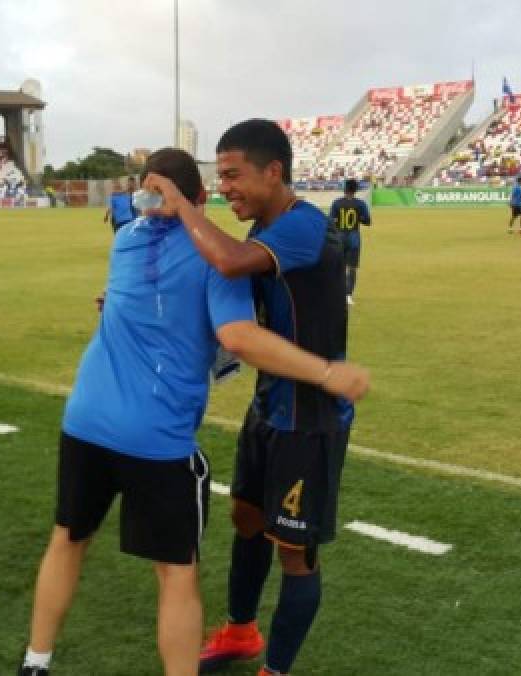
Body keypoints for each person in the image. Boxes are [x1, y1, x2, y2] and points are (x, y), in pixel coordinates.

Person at [18, 148, 370, 676]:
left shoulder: (126, 243)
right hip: (156, 438)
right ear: (197, 195)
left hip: (86, 420)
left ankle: (35, 663)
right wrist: (327, 372)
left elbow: (150, 302)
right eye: (219, 181)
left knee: (67, 540)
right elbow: (236, 336)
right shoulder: (215, 260)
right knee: (176, 574)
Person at [143, 119, 355, 676]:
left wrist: (181, 203)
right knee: (245, 516)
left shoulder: (306, 227)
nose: (227, 186)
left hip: (309, 418)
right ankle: (241, 632)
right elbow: (228, 298)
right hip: (268, 407)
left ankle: (276, 670)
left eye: (235, 175)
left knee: (295, 551)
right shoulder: (262, 233)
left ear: (274, 171)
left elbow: (230, 263)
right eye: (221, 177)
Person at [328, 178, 370, 305]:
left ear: (345, 189)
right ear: (356, 190)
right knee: (352, 267)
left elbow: (330, 222)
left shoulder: (336, 203)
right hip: (353, 237)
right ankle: (348, 295)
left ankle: (335, 293)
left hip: (339, 237)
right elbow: (367, 221)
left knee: (337, 267)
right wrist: (359, 218)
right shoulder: (361, 204)